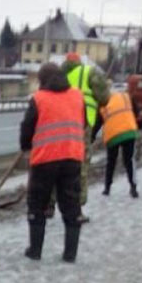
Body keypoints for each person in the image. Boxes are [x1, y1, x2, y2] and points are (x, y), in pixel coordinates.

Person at [20, 62, 87, 263]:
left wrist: (25, 146)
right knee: (71, 204)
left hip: (45, 159)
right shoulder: (77, 96)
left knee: (37, 204)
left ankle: (35, 250)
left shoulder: (39, 99)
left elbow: (27, 128)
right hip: (72, 156)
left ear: (43, 80)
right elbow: (82, 123)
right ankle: (70, 254)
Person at [57, 52, 110, 216]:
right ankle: (76, 208)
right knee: (80, 165)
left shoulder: (59, 75)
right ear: (79, 63)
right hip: (82, 122)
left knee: (56, 162)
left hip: (58, 123)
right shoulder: (88, 72)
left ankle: (50, 204)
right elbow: (104, 98)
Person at [100, 88, 140, 198]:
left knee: (111, 161)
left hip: (112, 135)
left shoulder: (102, 101)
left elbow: (98, 123)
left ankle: (107, 188)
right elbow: (137, 112)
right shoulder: (125, 96)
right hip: (128, 131)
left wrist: (91, 138)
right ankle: (133, 187)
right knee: (129, 160)